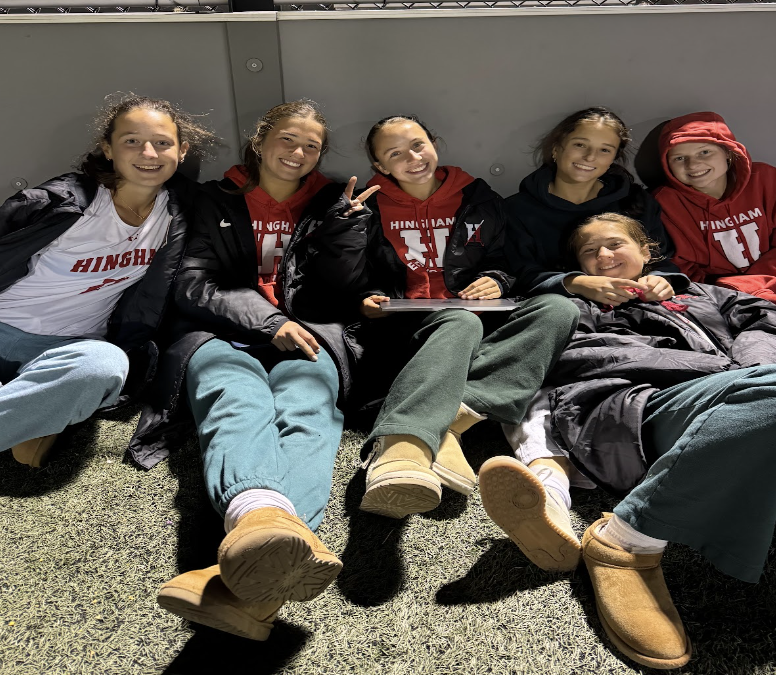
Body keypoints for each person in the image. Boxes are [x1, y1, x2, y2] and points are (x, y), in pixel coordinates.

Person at [480, 212, 776, 669]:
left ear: (647, 252)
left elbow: (763, 319)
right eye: (589, 251)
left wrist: (754, 369)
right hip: (648, 406)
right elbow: (582, 360)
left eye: (615, 244)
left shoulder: (703, 292)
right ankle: (627, 540)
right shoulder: (576, 305)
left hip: (746, 383)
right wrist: (727, 374)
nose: (603, 255)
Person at [156, 100, 364, 641]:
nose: (298, 153)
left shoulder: (333, 200)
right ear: (261, 141)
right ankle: (265, 547)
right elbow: (192, 282)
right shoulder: (214, 197)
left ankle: (253, 557)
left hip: (311, 330)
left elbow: (341, 292)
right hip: (222, 330)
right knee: (237, 397)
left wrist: (346, 232)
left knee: (309, 405)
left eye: (311, 145)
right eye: (288, 139)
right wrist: (267, 319)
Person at [318, 114, 579, 519]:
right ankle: (403, 445)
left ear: (434, 143)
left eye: (418, 144)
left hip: (476, 313)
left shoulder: (477, 197)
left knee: (558, 308)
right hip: (407, 326)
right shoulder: (365, 205)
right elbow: (348, 279)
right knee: (460, 321)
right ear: (380, 167)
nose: (412, 158)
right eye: (395, 154)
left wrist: (495, 280)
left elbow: (504, 262)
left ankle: (453, 420)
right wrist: (365, 291)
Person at [0, 94, 213, 467]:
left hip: (65, 351)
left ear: (181, 152)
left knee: (105, 367)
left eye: (162, 143)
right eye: (132, 141)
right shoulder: (61, 201)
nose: (148, 152)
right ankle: (32, 419)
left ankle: (34, 412)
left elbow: (250, 201)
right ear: (108, 149)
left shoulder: (181, 209)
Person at [505, 106, 685, 307]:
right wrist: (578, 283)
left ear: (613, 158)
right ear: (556, 149)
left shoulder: (638, 201)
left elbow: (662, 260)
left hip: (637, 310)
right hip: (562, 314)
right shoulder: (517, 209)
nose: (590, 157)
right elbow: (517, 273)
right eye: (580, 145)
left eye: (605, 150)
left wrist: (661, 280)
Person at [654, 111, 776, 302]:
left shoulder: (765, 179)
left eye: (704, 152)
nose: (693, 164)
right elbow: (681, 268)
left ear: (727, 151)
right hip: (722, 297)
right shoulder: (665, 204)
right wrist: (725, 292)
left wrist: (753, 284)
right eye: (679, 158)